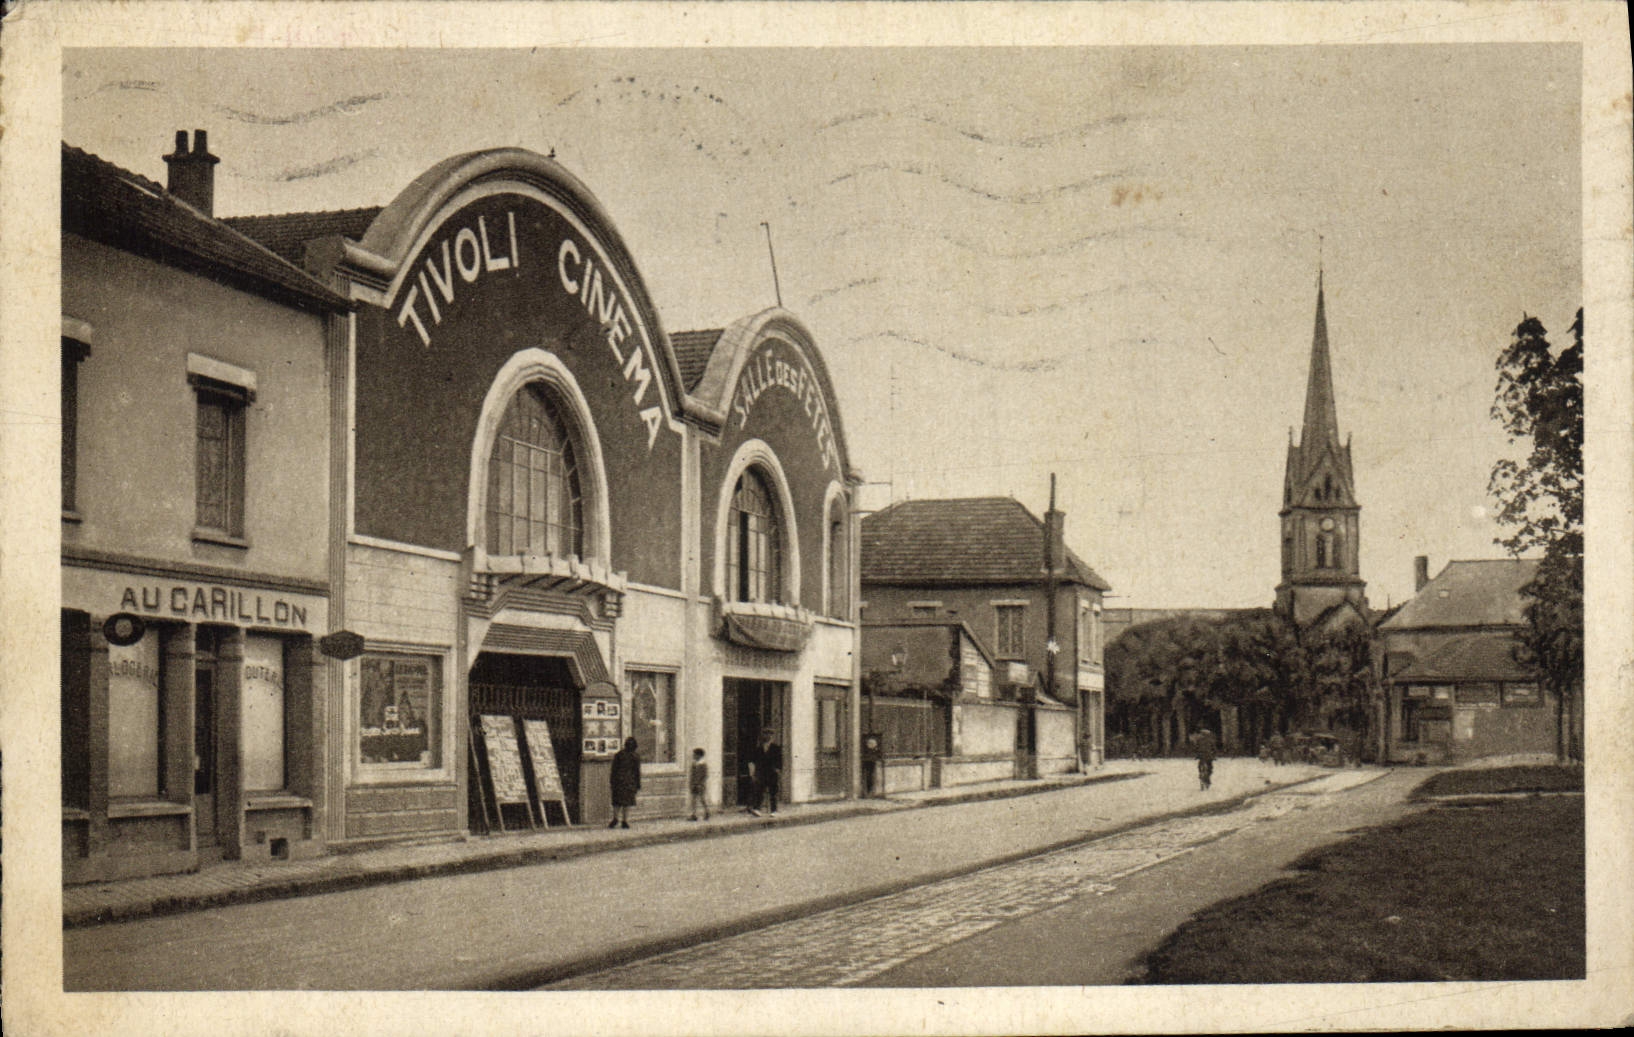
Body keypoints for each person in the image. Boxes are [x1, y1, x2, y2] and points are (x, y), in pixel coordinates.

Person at [746, 726, 782, 817]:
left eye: (770, 734)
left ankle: (774, 810)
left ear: (772, 736)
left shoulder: (776, 748)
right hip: (762, 773)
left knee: (773, 792)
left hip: (772, 774)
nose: (768, 736)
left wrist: (778, 769)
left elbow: (780, 760)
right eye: (766, 734)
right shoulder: (759, 749)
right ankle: (757, 809)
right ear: (763, 736)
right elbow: (752, 761)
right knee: (759, 791)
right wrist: (753, 774)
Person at [609, 736, 640, 829]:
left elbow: (613, 770)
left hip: (618, 781)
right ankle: (625, 820)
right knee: (627, 802)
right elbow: (637, 772)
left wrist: (612, 782)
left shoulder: (618, 755)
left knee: (617, 802)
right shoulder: (635, 756)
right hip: (630, 782)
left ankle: (615, 818)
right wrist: (638, 784)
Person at [688, 747, 710, 821]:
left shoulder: (703, 764)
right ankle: (693, 814)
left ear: (699, 756)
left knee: (701, 799)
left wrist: (700, 783)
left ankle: (707, 812)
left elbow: (704, 775)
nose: (693, 756)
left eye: (695, 755)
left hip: (700, 785)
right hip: (694, 784)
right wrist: (691, 783)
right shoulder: (694, 764)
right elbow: (692, 775)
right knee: (693, 800)